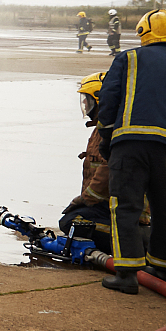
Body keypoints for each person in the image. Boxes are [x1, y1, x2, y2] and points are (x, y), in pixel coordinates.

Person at [94, 10, 166, 294]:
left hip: (129, 143)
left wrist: (106, 138)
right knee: (165, 208)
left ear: (144, 31)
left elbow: (108, 100)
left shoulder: (128, 58)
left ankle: (126, 274)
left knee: (125, 206)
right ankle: (161, 268)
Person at [58, 71, 115, 251]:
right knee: (73, 219)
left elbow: (107, 170)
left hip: (119, 210)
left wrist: (84, 199)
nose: (84, 104)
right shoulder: (101, 129)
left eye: (88, 100)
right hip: (109, 206)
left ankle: (128, 239)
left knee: (72, 223)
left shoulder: (110, 131)